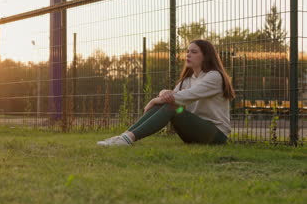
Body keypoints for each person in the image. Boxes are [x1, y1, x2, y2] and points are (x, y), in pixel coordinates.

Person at [98, 39, 235, 146]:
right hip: (193, 132)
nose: (188, 54)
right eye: (187, 51)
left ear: (206, 56)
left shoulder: (214, 76)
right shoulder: (187, 80)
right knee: (169, 103)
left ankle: (127, 139)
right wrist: (162, 93)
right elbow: (170, 96)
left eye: (194, 52)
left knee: (172, 105)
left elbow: (183, 97)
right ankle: (125, 136)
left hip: (216, 135)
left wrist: (154, 100)